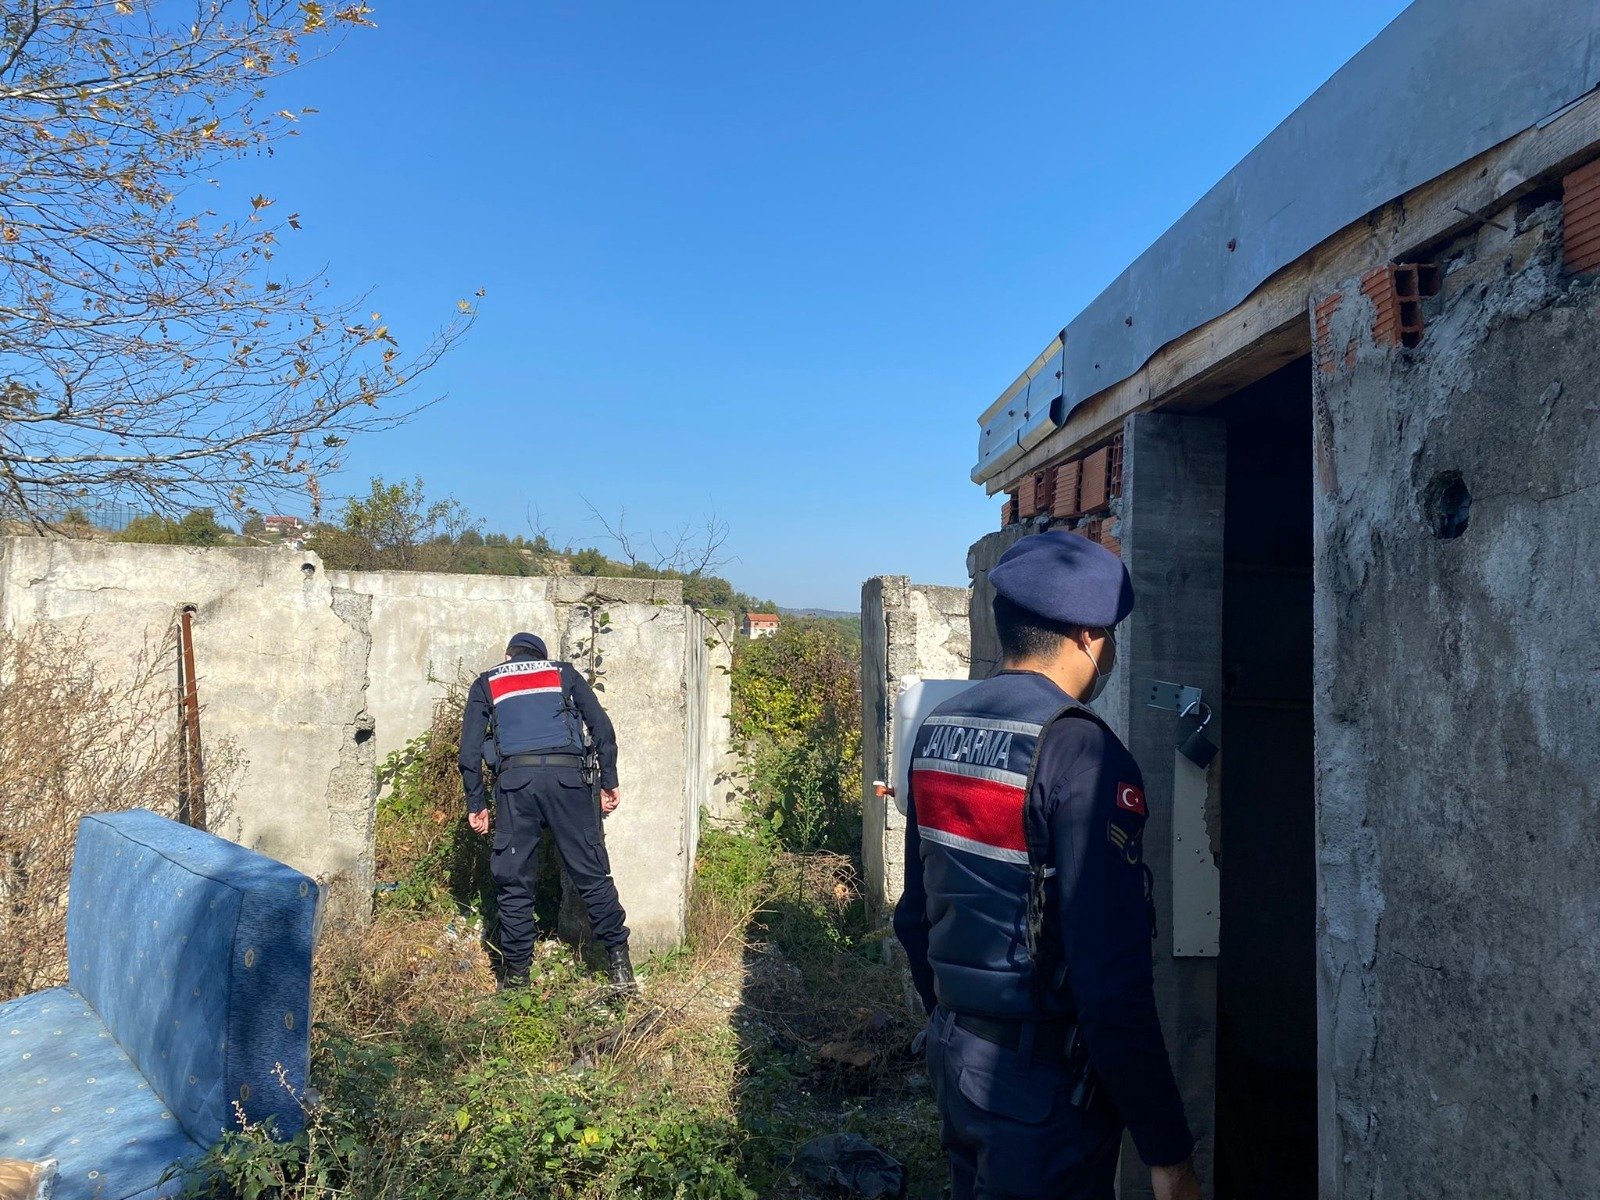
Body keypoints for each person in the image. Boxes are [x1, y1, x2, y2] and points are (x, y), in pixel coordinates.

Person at [894, 531, 1200, 1200]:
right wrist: (1168, 1151)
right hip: (1037, 1094)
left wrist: (952, 1024)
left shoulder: (939, 729)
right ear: (1090, 636)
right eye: (1111, 636)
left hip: (957, 1057)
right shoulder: (1082, 754)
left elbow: (914, 917)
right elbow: (1110, 982)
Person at [459, 631, 637, 994]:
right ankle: (620, 969)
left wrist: (476, 804)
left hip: (515, 786)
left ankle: (517, 980)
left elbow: (469, 751)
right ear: (541, 655)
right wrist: (608, 781)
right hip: (568, 782)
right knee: (591, 874)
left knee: (514, 881)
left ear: (509, 655)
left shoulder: (487, 682)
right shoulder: (563, 673)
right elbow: (602, 728)